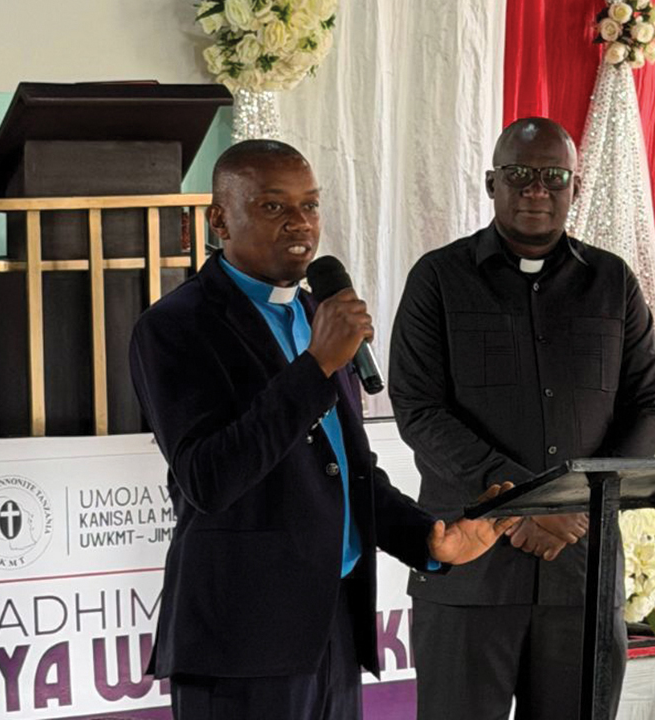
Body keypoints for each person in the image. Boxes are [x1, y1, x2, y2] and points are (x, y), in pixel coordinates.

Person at [129, 139, 518, 720]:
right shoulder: (175, 326)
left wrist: (428, 538)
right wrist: (315, 368)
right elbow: (207, 478)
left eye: (310, 206)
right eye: (273, 207)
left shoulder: (317, 316)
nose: (300, 224)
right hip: (243, 638)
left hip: (332, 622)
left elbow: (342, 466)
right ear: (219, 219)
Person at [389, 117, 655, 719]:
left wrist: (581, 500)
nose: (536, 189)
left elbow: (649, 406)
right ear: (492, 182)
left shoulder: (612, 282)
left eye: (553, 176)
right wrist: (526, 503)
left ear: (576, 187)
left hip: (581, 572)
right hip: (470, 573)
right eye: (519, 175)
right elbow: (418, 410)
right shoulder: (437, 279)